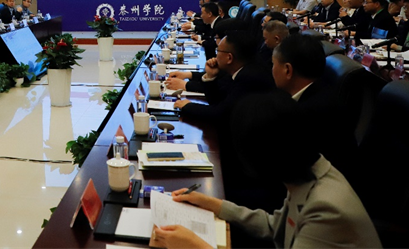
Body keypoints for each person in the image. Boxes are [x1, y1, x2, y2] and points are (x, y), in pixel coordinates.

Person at [152, 92, 382, 249]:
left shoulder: (326, 210)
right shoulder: (308, 172)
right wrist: (213, 204)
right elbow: (275, 226)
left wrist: (196, 246)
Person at [271, 34, 356, 175]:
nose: (272, 70)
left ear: (287, 70)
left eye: (273, 64)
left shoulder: (306, 115)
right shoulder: (320, 90)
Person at [174, 31, 274, 119]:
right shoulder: (239, 69)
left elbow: (220, 114)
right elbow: (217, 100)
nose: (216, 55)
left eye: (218, 50)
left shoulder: (249, 77)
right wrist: (210, 76)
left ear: (229, 58)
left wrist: (187, 106)